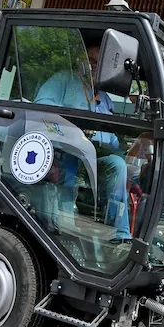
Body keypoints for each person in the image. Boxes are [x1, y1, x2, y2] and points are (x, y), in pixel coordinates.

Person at [35, 43, 131, 242]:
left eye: (98, 62)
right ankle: (63, 226)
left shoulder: (105, 99)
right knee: (73, 154)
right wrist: (73, 129)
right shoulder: (64, 79)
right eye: (90, 60)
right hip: (64, 151)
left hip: (94, 160)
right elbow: (42, 106)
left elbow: (111, 140)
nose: (93, 65)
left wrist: (128, 155)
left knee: (118, 164)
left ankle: (120, 235)